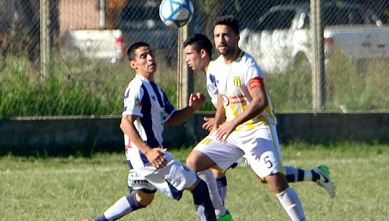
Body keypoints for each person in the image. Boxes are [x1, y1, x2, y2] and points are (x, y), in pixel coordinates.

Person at [182, 33, 335, 202]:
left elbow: (232, 100)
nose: (187, 60)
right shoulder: (213, 73)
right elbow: (225, 102)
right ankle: (315, 175)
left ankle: (221, 214)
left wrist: (220, 122)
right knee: (264, 176)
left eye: (189, 54)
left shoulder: (217, 70)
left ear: (202, 53)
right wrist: (218, 118)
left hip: (249, 127)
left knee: (218, 169)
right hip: (237, 128)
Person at [185, 15, 307, 220]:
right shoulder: (216, 67)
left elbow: (260, 101)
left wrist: (232, 122)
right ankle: (221, 213)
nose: (221, 40)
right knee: (194, 161)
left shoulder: (247, 65)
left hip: (258, 128)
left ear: (237, 38)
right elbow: (223, 98)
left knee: (275, 182)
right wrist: (218, 123)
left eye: (226, 35)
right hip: (232, 132)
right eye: (217, 35)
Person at [83, 42, 217, 221]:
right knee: (199, 186)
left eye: (151, 54)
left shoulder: (155, 89)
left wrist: (191, 108)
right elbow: (125, 123)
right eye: (143, 56)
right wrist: (148, 151)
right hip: (149, 157)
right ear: (133, 64)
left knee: (143, 198)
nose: (150, 58)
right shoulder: (137, 87)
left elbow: (170, 118)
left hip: (146, 155)